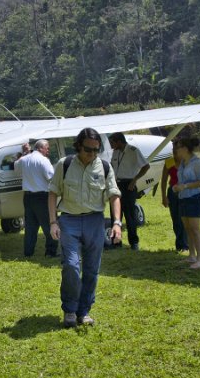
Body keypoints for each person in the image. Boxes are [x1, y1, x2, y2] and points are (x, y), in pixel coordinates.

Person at [48, 128, 122, 327]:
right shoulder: (65, 164)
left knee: (91, 270)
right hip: (69, 221)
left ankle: (84, 311)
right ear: (79, 146)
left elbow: (114, 195)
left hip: (94, 221)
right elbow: (53, 192)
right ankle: (70, 310)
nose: (92, 154)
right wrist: (53, 222)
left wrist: (116, 223)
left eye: (96, 150)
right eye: (88, 150)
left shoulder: (104, 167)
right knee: (71, 266)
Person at [108, 132, 150, 250]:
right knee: (115, 214)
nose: (111, 145)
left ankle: (133, 242)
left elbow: (146, 166)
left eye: (112, 143)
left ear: (119, 141)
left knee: (130, 215)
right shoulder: (115, 152)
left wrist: (135, 180)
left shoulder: (133, 151)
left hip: (129, 185)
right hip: (117, 185)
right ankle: (116, 242)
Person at [16, 139, 58, 258]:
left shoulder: (24, 159)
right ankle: (50, 252)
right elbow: (51, 177)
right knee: (49, 225)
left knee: (30, 227)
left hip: (28, 197)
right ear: (40, 148)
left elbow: (15, 166)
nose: (48, 151)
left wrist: (24, 153)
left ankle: (28, 252)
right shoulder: (44, 160)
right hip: (42, 197)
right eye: (47, 148)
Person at [173, 137, 200, 269]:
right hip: (183, 198)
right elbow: (181, 179)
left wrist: (185, 186)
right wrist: (177, 187)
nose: (176, 149)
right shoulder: (182, 163)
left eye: (179, 147)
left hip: (194, 198)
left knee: (195, 229)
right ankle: (191, 255)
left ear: (185, 149)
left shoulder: (197, 162)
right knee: (187, 228)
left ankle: (199, 259)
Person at [160, 145, 189, 253]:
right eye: (173, 150)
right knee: (176, 220)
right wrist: (164, 197)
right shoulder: (169, 162)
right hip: (173, 193)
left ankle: (186, 245)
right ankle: (179, 245)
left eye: (176, 151)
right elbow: (163, 181)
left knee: (185, 219)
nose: (174, 153)